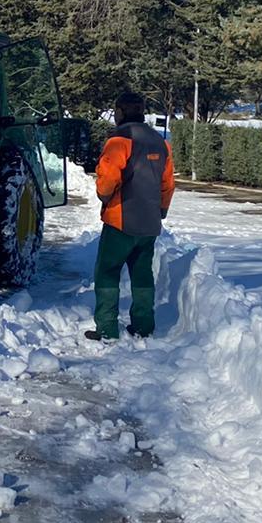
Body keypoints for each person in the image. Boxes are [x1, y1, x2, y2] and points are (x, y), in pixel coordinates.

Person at [88, 91, 175, 341]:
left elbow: (108, 179)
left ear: (120, 112)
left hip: (120, 221)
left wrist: (104, 196)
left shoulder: (119, 140)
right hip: (149, 223)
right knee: (142, 272)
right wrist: (161, 211)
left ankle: (106, 328)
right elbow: (167, 184)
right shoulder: (161, 142)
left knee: (107, 271)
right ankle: (143, 326)